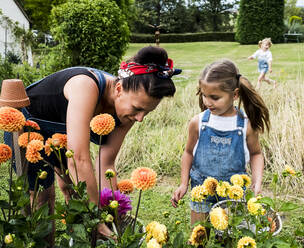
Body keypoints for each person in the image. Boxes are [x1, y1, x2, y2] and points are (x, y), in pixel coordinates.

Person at [4, 46, 180, 244]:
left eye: (147, 112)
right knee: (43, 198)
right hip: (29, 124)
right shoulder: (85, 87)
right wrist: (95, 217)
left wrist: (112, 209)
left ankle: (78, 239)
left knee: (72, 191)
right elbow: (78, 159)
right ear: (119, 88)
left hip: (64, 134)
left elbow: (106, 165)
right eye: (138, 109)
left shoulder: (128, 113)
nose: (140, 118)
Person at [171, 59, 270, 225]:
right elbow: (188, 152)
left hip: (233, 194)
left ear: (235, 94)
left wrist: (257, 182)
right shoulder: (198, 122)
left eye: (215, 97)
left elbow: (256, 154)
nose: (207, 102)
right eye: (204, 95)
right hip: (201, 190)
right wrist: (183, 184)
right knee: (199, 235)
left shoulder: (245, 125)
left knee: (228, 237)